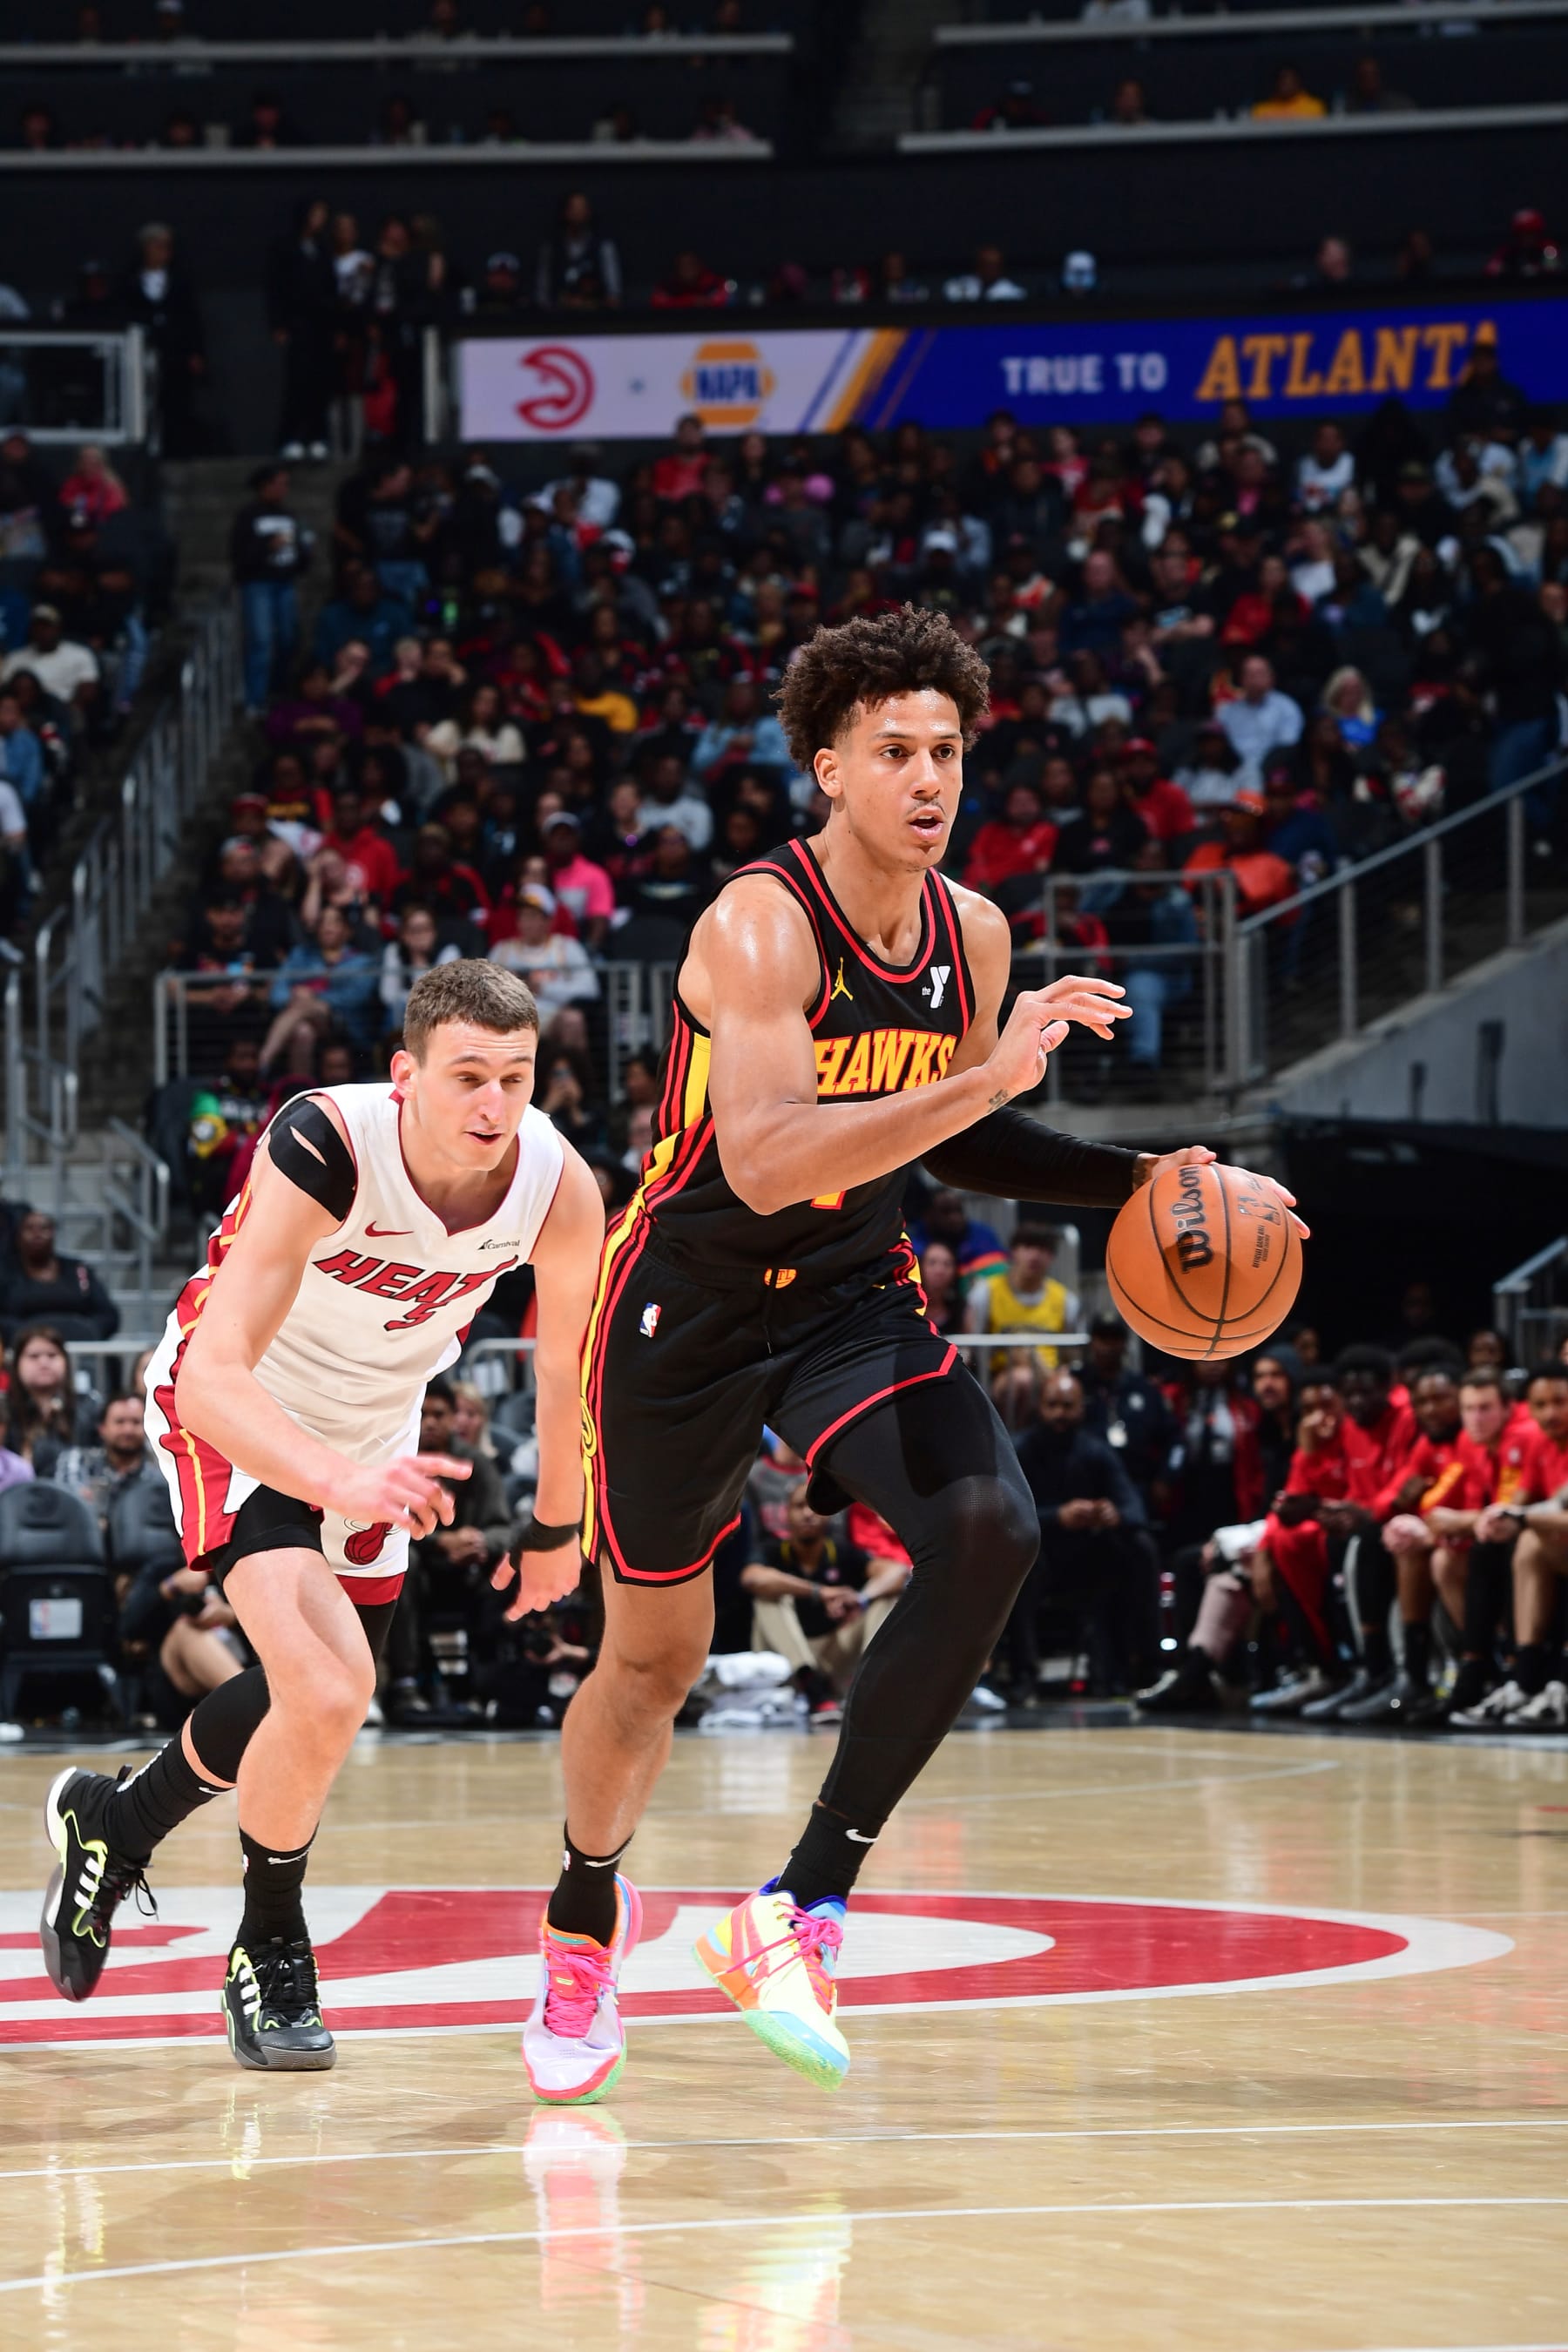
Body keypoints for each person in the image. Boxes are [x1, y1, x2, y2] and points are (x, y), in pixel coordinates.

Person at [512, 604, 1299, 2103]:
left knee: (989, 1527)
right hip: (687, 1300)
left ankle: (797, 1907)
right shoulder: (760, 922)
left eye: (947, 751)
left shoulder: (973, 935)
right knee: (655, 1663)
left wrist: (1136, 1181)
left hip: (849, 1295)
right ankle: (582, 1914)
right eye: (895, 752)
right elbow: (759, 1156)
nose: (929, 779)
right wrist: (983, 1079)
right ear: (828, 767)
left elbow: (972, 1130)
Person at [38, 962, 605, 2072]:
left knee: (318, 1701)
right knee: (331, 1686)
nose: (494, 1105)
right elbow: (212, 1374)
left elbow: (565, 1368)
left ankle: (113, 1824)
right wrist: (333, 1481)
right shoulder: (327, 1143)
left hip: (372, 1439)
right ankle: (268, 1947)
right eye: (468, 1078)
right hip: (236, 1415)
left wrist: (555, 1530)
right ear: (406, 1078)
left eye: (517, 1079)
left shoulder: (557, 1183)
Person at [230, 465, 313, 714]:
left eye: (286, 484)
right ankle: (255, 698)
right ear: (264, 486)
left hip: (285, 582)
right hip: (259, 584)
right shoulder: (248, 516)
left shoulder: (290, 515)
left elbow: (301, 549)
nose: (283, 489)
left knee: (288, 639)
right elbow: (239, 556)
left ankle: (278, 691)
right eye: (279, 483)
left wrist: (304, 551)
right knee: (261, 640)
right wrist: (268, 545)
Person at [964, 1221, 1081, 1380]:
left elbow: (1072, 1357)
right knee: (1023, 1378)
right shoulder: (985, 1293)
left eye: (1042, 1250)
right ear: (1013, 1252)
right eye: (1027, 1247)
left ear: (1052, 1257)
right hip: (999, 1380)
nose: (1034, 1256)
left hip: (1050, 1382)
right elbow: (972, 1348)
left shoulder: (1066, 1300)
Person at [0, 1209, 118, 1342]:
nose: (37, 1234)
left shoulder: (77, 1269)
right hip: (24, 1351)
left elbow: (107, 1314)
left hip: (81, 1348)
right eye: (29, 1229)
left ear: (53, 1233)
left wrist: (89, 1331)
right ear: (18, 1237)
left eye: (44, 1228)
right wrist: (19, 1334)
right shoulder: (6, 1273)